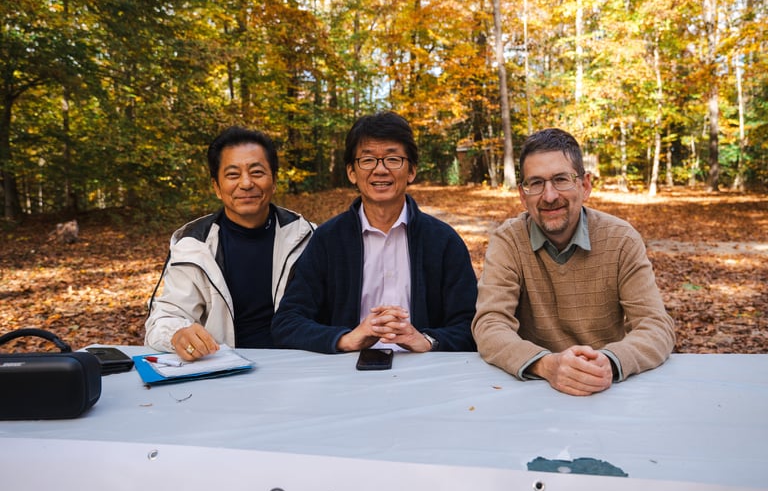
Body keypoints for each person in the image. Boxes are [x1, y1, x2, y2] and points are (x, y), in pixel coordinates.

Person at [472, 128, 675, 396]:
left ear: (585, 186)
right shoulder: (508, 241)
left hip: (608, 390)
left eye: (561, 179)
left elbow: (656, 325)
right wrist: (546, 365)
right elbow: (490, 324)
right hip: (533, 390)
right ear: (523, 195)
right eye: (536, 183)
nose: (549, 196)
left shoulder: (621, 239)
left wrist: (609, 362)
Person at [272, 111, 477, 354]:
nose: (380, 170)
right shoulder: (328, 240)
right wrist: (346, 339)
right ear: (351, 172)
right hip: (346, 367)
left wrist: (426, 341)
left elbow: (470, 324)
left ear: (411, 171)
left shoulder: (443, 241)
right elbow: (287, 322)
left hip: (424, 368)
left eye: (393, 159)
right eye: (368, 160)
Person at [145, 126, 314, 360]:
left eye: (257, 172)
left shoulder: (307, 237)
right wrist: (177, 334)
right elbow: (164, 317)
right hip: (223, 365)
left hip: (298, 363)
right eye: (233, 175)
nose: (246, 183)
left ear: (274, 181)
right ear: (216, 187)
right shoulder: (195, 245)